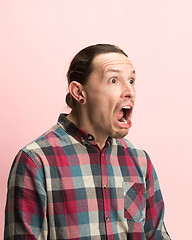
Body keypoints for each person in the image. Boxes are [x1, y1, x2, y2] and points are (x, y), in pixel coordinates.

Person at [4, 44, 171, 240]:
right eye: (113, 80)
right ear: (79, 92)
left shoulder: (140, 160)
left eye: (132, 80)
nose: (129, 92)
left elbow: (156, 235)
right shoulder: (36, 162)